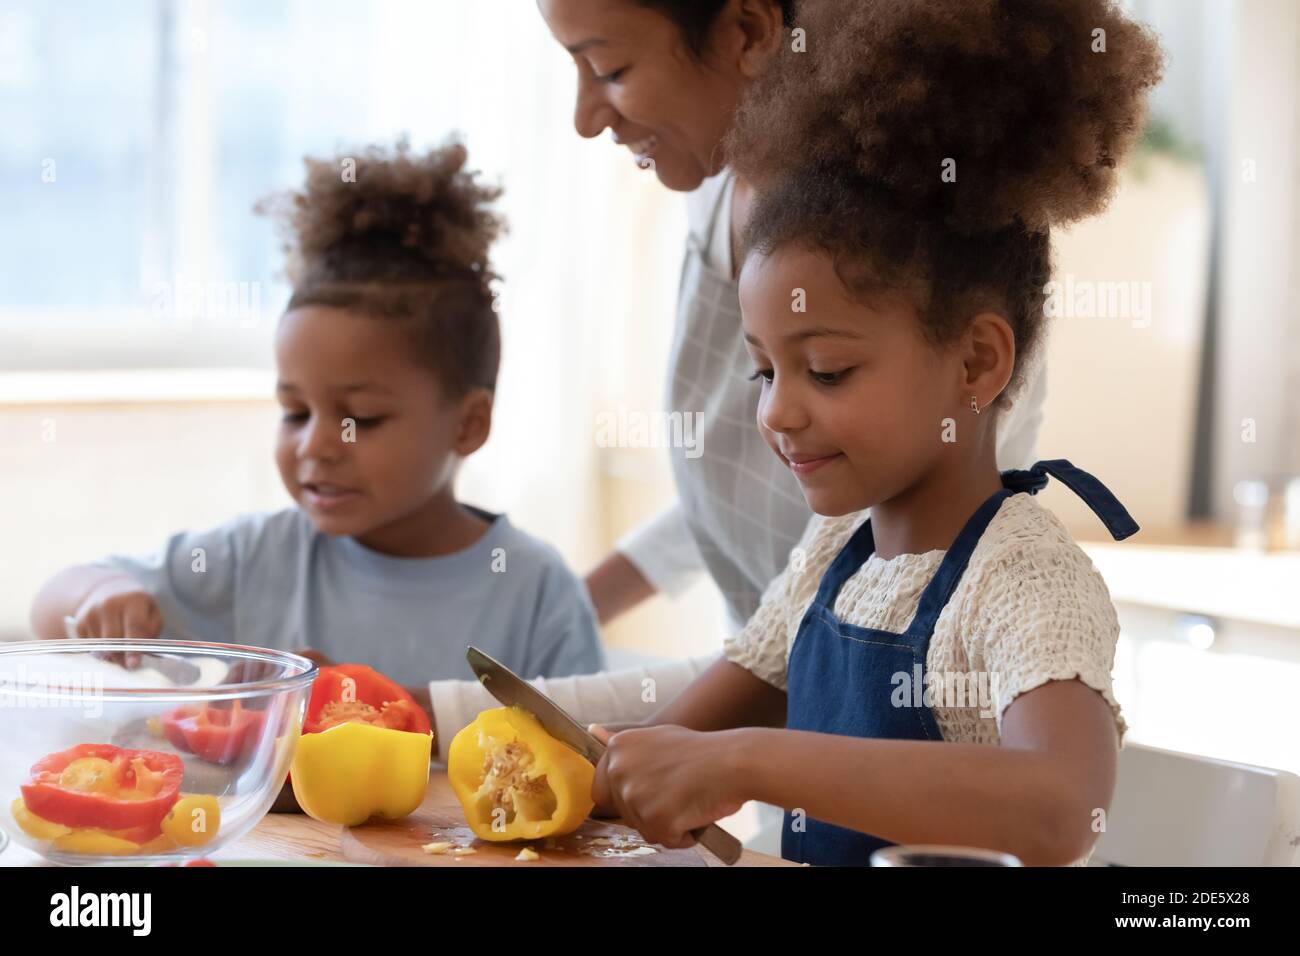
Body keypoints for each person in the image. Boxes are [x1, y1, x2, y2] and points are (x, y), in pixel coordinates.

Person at [586, 0, 1163, 866]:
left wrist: (747, 760)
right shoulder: (833, 555)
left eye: (826, 371)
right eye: (762, 370)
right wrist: (592, 763)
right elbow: (666, 743)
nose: (777, 411)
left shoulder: (1023, 581)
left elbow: (1060, 808)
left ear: (974, 364)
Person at [30, 140, 605, 700]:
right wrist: (104, 593)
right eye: (295, 411)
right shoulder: (254, 559)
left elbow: (584, 749)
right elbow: (52, 605)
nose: (317, 445)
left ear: (469, 424)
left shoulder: (536, 590)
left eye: (362, 417)